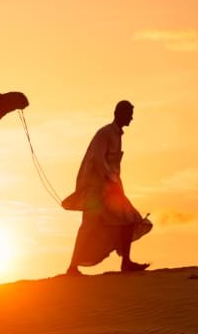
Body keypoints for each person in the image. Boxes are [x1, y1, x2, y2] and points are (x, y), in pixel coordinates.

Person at [63, 100, 152, 274]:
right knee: (88, 226)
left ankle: (126, 262)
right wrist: (111, 179)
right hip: (97, 190)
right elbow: (97, 158)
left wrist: (115, 183)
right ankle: (72, 267)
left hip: (111, 189)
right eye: (129, 114)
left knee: (129, 219)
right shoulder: (105, 133)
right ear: (120, 114)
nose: (131, 118)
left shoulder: (117, 135)